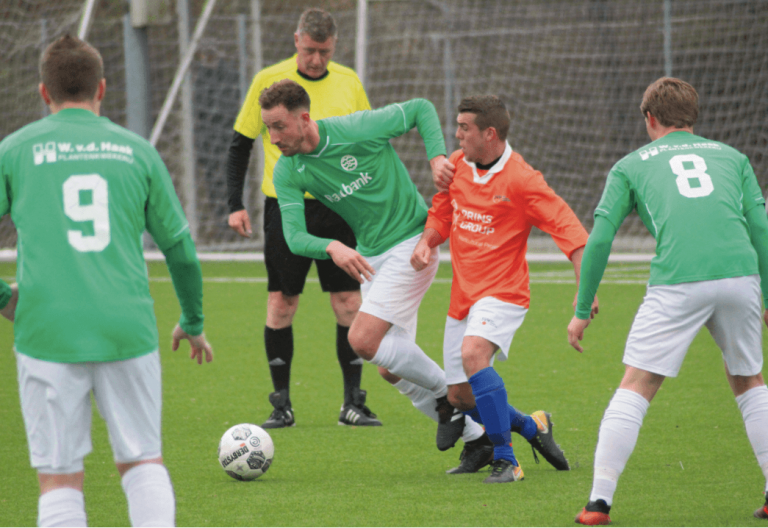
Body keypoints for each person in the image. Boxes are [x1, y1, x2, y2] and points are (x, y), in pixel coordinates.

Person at [0, 35, 213, 527]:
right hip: (126, 327)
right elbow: (180, 249)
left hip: (45, 329)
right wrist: (193, 319)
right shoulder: (136, 151)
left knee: (59, 477)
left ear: (42, 92)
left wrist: (3, 299)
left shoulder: (14, 151)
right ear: (102, 88)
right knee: (142, 461)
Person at [262, 78, 494, 470]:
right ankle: (479, 439)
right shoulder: (288, 171)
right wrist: (332, 246)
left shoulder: (355, 129)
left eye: (279, 126)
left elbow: (421, 106)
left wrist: (438, 157)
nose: (272, 137)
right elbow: (295, 236)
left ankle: (447, 399)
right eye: (267, 127)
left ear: (304, 119)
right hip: (371, 257)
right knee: (388, 367)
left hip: (411, 244)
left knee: (363, 340)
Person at [568, 77, 768, 525]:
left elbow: (599, 239)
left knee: (638, 383)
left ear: (650, 118)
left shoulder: (630, 165)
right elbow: (761, 230)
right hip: (740, 276)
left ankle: (599, 503)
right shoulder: (733, 158)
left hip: (679, 280)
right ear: (692, 118)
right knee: (749, 379)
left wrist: (582, 311)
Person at [412, 95, 597, 482]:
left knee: (473, 353)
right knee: (461, 396)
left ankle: (506, 460)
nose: (456, 134)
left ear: (489, 133)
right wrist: (427, 241)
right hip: (463, 296)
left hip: (504, 292)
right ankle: (534, 427)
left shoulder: (523, 180)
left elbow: (572, 233)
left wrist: (587, 288)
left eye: (464, 128)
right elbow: (441, 213)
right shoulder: (457, 166)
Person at [225, 8, 379, 428]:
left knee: (349, 301)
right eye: (310, 51)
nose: (316, 60)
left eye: (324, 52)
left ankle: (353, 403)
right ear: (297, 41)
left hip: (339, 204)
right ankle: (281, 405)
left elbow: (367, 143)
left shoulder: (348, 82)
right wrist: (233, 203)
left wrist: (369, 199)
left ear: (333, 47)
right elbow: (241, 144)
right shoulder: (269, 82)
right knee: (282, 302)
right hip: (286, 207)